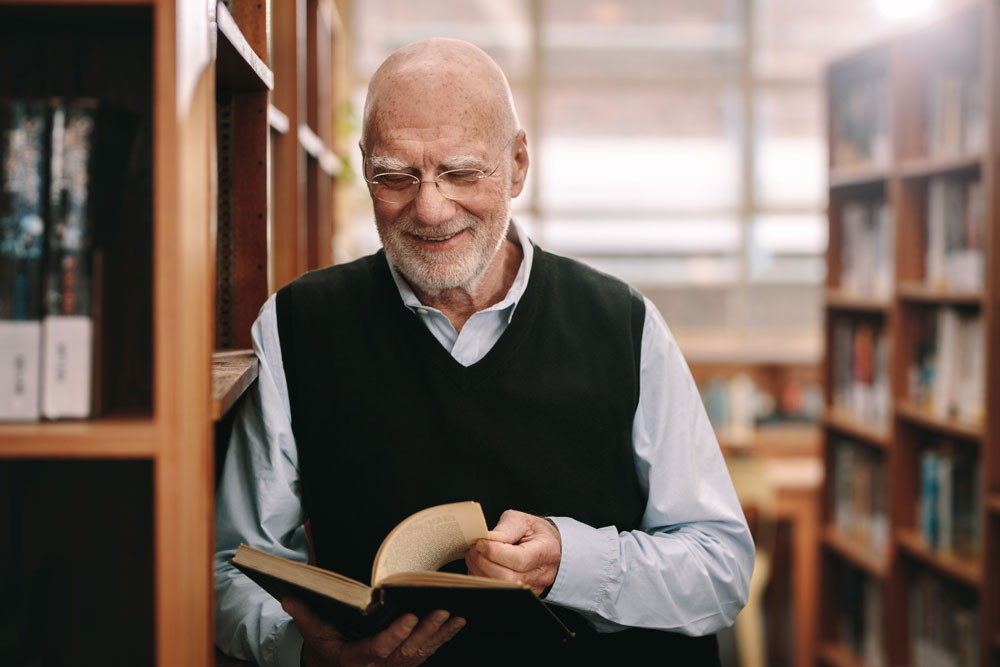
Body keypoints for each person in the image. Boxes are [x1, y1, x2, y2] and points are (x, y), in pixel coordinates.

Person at [215, 38, 754, 667]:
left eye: (462, 172)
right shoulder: (295, 326)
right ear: (363, 167)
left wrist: (570, 563)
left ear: (519, 164)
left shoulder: (624, 324)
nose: (429, 208)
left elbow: (721, 570)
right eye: (394, 176)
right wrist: (304, 653)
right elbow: (232, 568)